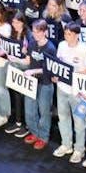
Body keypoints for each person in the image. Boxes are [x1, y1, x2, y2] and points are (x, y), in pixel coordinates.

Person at [52, 23, 86, 163]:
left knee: (79, 122)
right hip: (62, 88)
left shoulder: (84, 50)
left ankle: (79, 150)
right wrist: (56, 75)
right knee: (63, 117)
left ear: (77, 35)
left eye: (69, 34)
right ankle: (66, 144)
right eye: (65, 33)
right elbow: (58, 63)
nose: (66, 36)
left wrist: (73, 75)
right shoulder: (62, 45)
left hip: (78, 92)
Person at [18, 19, 57, 150]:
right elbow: (28, 60)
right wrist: (16, 59)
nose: (35, 34)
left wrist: (32, 71)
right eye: (34, 32)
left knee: (44, 112)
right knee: (29, 110)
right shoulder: (32, 43)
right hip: (32, 82)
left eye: (38, 32)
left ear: (45, 32)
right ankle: (34, 132)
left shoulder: (50, 48)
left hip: (45, 83)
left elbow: (48, 69)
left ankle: (43, 137)